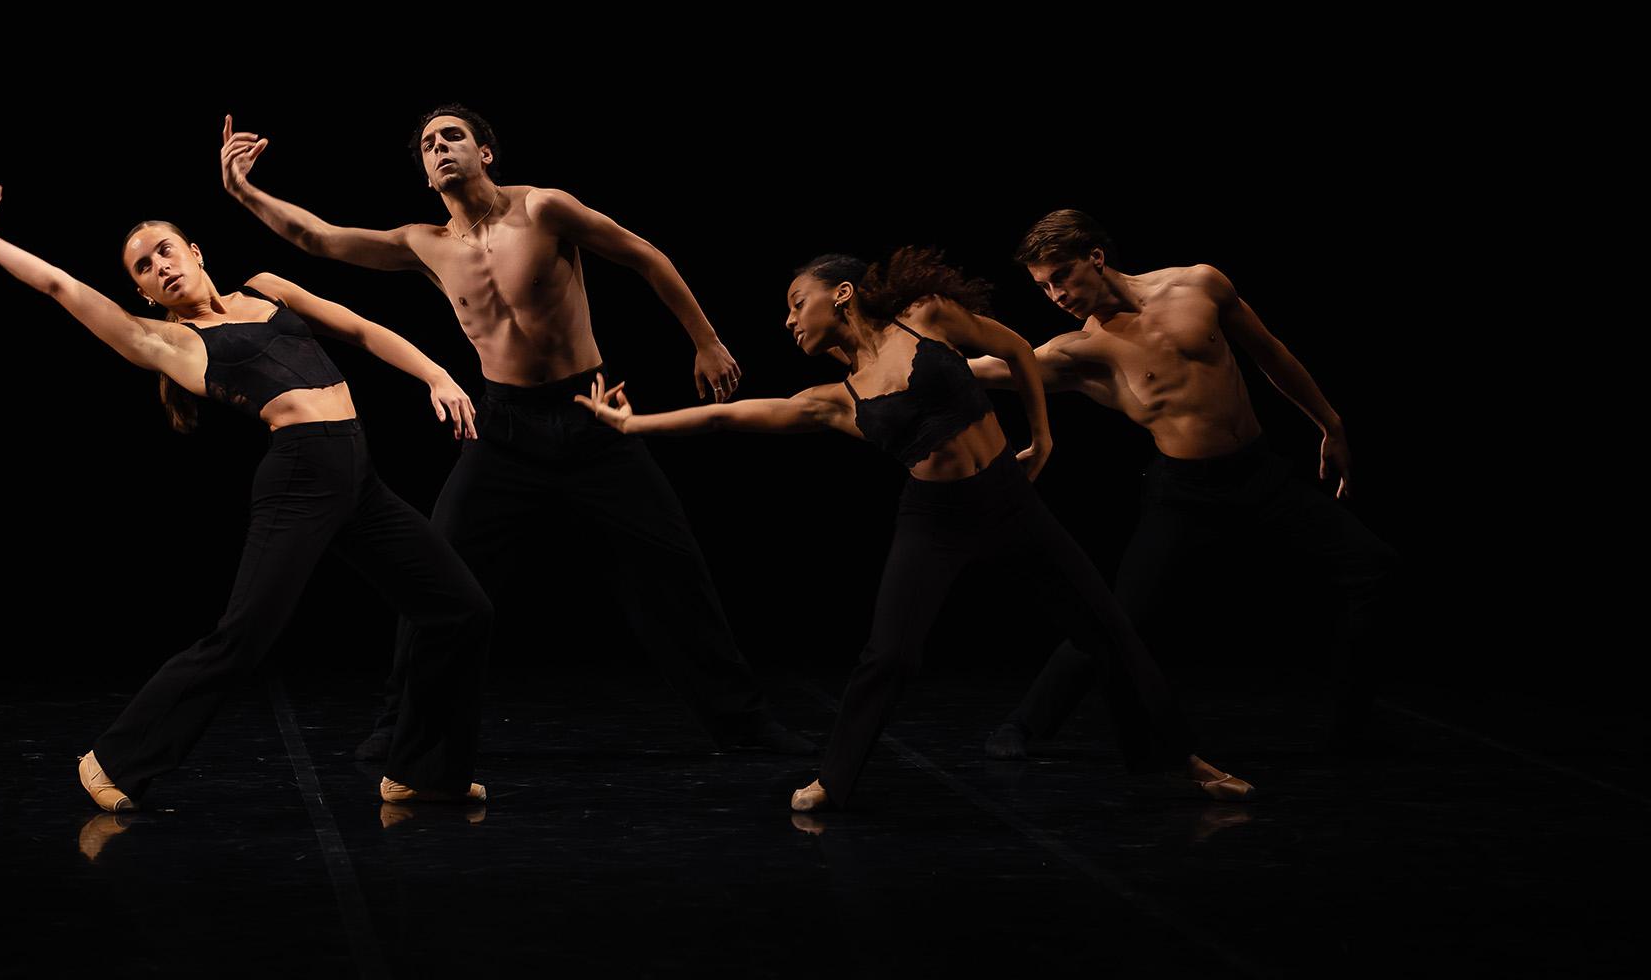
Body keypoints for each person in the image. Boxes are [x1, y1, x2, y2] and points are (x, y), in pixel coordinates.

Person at [572, 247, 1253, 810]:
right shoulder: (838, 398)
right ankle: (833, 780)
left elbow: (1017, 350)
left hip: (1010, 501)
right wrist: (634, 425)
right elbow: (731, 417)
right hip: (935, 519)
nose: (788, 321)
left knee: (1106, 627)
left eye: (795, 302)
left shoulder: (927, 319)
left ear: (841, 294)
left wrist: (1042, 438)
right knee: (890, 655)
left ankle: (1183, 760)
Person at [219, 108, 809, 756]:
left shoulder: (545, 210)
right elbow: (320, 239)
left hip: (591, 419)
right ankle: (400, 724)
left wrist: (706, 341)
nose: (439, 147)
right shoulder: (425, 243)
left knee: (673, 571)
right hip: (503, 430)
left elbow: (644, 255)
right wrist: (245, 191)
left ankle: (744, 725)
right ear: (423, 171)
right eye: (427, 144)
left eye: (453, 137)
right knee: (435, 573)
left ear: (486, 153)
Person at [0, 159, 493, 812]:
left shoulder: (266, 288)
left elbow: (359, 328)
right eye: (144, 267)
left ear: (195, 250)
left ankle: (422, 770)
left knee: (461, 609)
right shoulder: (172, 342)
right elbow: (64, 288)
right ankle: (112, 761)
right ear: (145, 293)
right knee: (243, 638)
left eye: (165, 250)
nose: (160, 266)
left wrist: (436, 374)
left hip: (359, 478)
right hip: (299, 478)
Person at [968, 210, 1396, 759]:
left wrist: (1330, 424)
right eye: (1044, 286)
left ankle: (1350, 729)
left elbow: (1269, 352)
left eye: (1062, 276)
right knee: (1122, 617)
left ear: (1096, 257)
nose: (1055, 294)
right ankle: (1025, 725)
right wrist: (912, 352)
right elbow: (990, 368)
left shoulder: (1199, 284)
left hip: (1260, 474)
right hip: (1185, 493)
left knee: (1374, 567)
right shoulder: (1082, 349)